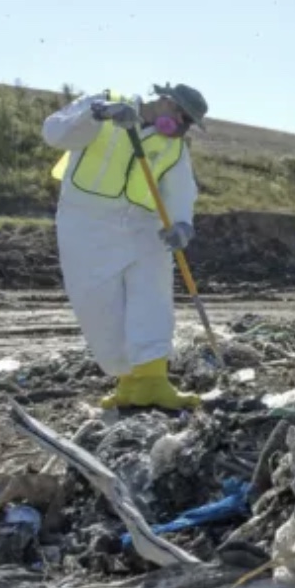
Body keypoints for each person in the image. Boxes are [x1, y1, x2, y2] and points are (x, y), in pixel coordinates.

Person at [41, 83, 208, 410]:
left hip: (145, 224)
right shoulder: (104, 102)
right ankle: (130, 381)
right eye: (183, 118)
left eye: (189, 124)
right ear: (164, 101)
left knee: (153, 296)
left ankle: (155, 380)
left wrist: (182, 225)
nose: (183, 128)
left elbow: (180, 189)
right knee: (98, 304)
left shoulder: (174, 147)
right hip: (86, 220)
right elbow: (55, 133)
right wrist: (98, 114)